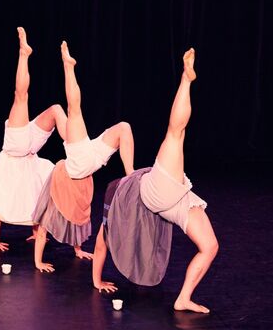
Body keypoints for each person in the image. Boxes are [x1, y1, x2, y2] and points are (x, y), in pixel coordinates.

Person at [92, 48, 219, 314]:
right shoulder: (116, 198)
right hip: (157, 193)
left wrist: (96, 280)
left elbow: (102, 242)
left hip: (175, 200)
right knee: (176, 134)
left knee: (210, 246)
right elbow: (102, 242)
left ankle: (183, 299)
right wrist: (96, 281)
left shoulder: (119, 193)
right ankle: (186, 79)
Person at [32, 40, 135, 272]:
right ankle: (68, 66)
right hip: (82, 161)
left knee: (124, 127)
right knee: (73, 109)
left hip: (87, 155)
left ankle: (130, 177)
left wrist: (78, 251)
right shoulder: (63, 185)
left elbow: (77, 219)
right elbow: (44, 229)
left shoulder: (77, 185)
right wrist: (38, 262)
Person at [0, 27, 67, 252]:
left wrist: (35, 233)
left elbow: (4, 205)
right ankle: (24, 53)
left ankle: (76, 149)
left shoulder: (17, 175)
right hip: (23, 151)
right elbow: (2, 208)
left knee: (49, 107)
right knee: (24, 98)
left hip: (21, 148)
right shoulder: (26, 176)